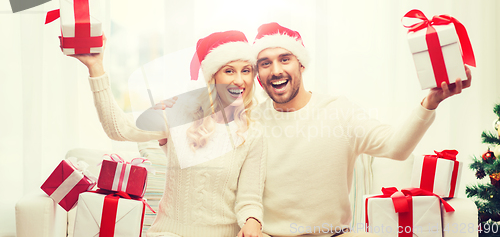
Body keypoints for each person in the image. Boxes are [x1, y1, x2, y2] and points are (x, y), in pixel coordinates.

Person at [250, 22, 472, 237]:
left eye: (285, 59)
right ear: (258, 74)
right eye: (265, 63)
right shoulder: (252, 121)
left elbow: (397, 147)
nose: (276, 70)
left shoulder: (339, 111)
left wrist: (430, 102)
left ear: (301, 64)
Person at [69, 30, 266, 237]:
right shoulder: (178, 113)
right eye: (229, 71)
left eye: (245, 71)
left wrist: (252, 221)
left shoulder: (253, 133)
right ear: (212, 77)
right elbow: (118, 129)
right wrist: (96, 67)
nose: (239, 80)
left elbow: (250, 199)